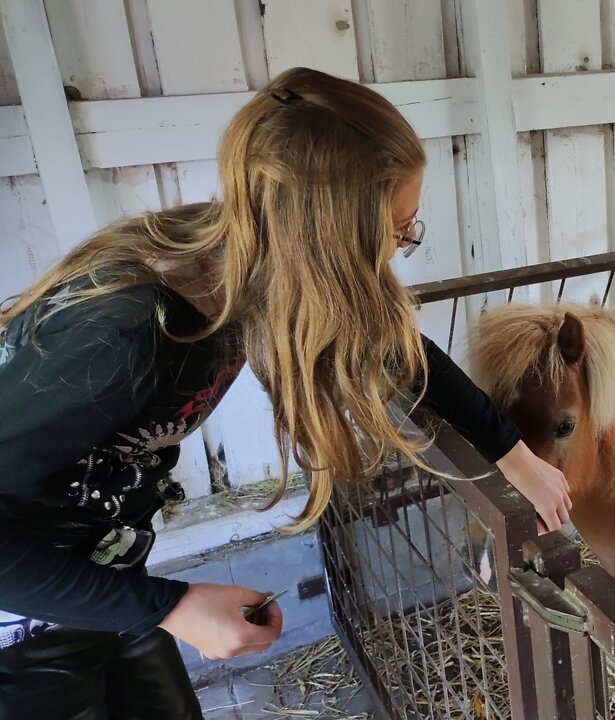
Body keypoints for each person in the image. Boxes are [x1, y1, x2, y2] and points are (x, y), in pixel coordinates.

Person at [0, 66, 572, 719]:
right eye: (396, 229)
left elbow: (399, 350)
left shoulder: (250, 260)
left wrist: (513, 454)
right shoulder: (132, 333)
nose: (401, 247)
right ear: (328, 238)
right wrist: (175, 607)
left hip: (101, 587)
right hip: (20, 630)